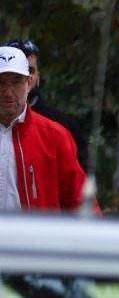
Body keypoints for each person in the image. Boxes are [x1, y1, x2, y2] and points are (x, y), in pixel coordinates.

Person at [0, 44, 86, 212]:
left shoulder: (55, 136)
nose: (8, 92)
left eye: (16, 82)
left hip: (34, 238)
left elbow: (79, 201)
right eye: (1, 83)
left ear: (29, 82)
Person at [4, 37, 87, 173]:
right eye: (5, 80)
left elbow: (80, 183)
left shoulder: (61, 129)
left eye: (27, 71)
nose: (9, 89)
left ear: (35, 78)